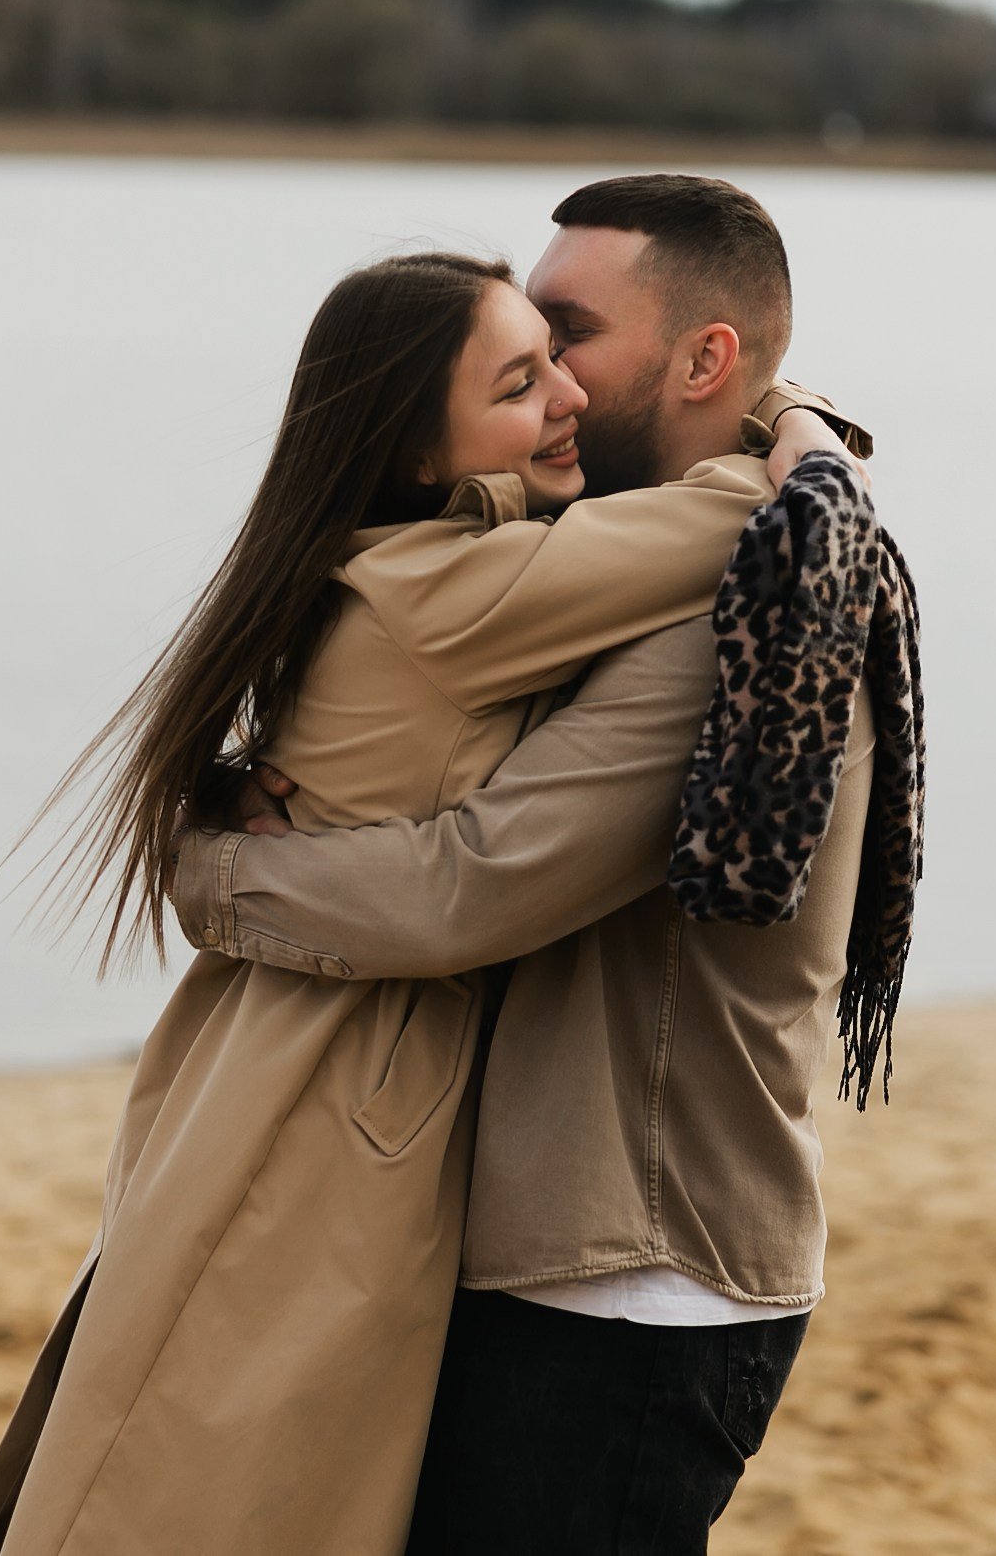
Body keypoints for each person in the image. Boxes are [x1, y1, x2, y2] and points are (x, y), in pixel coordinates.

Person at [0, 233, 862, 1556]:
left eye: (561, 358)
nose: (567, 402)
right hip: (331, 1088)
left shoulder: (406, 563)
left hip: (275, 1048)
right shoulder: (457, 589)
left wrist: (220, 864)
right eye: (518, 383)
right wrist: (801, 421)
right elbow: (738, 517)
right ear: (421, 452)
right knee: (221, 1482)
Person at [169, 174, 900, 1553]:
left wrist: (219, 875)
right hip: (576, 1257)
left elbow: (478, 880)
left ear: (707, 360)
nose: (551, 378)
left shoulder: (745, 610)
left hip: (626, 1272)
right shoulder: (632, 565)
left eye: (569, 334)